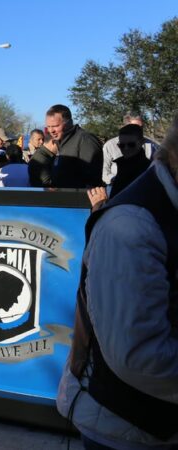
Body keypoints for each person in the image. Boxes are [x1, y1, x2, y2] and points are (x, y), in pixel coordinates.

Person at [57, 116, 178, 448]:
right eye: (121, 146)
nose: (125, 151)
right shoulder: (130, 226)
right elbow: (139, 355)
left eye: (130, 146)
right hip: (126, 424)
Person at [45, 105, 102, 188]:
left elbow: (92, 179)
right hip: (62, 198)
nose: (51, 130)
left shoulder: (85, 140)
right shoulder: (61, 142)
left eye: (55, 126)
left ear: (69, 123)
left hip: (78, 198)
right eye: (48, 126)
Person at [102, 113, 160, 185]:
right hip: (115, 184)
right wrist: (118, 180)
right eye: (122, 145)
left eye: (141, 127)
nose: (139, 130)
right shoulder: (110, 145)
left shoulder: (152, 144)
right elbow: (104, 172)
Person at [109, 124, 151, 199]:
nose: (126, 148)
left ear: (141, 142)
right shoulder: (122, 165)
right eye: (121, 145)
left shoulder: (148, 169)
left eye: (131, 145)